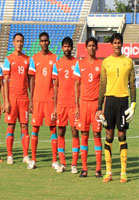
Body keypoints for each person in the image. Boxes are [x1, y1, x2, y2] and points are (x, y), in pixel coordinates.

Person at [97, 33, 136, 183]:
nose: (117, 45)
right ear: (111, 44)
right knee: (108, 135)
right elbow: (102, 85)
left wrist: (133, 104)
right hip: (110, 102)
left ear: (122, 44)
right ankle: (108, 172)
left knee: (122, 135)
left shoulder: (128, 62)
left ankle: (123, 172)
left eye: (119, 42)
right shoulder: (106, 62)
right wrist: (99, 107)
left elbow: (132, 85)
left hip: (123, 102)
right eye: (115, 43)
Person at [27, 32, 59, 170]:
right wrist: (31, 98)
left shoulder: (55, 58)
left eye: (46, 41)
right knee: (35, 129)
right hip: (38, 99)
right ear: (39, 42)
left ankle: (54, 161)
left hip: (50, 99)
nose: (44, 43)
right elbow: (31, 79)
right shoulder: (34, 59)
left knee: (53, 129)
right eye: (42, 41)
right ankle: (33, 159)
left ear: (49, 42)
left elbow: (56, 81)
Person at [73, 37, 103, 177]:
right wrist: (77, 106)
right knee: (83, 134)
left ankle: (98, 169)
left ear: (97, 48)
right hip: (83, 104)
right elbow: (77, 86)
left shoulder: (101, 64)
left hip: (96, 105)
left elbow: (104, 86)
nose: (91, 48)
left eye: (93, 46)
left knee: (97, 134)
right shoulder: (80, 64)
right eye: (89, 45)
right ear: (86, 48)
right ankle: (84, 169)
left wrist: (101, 107)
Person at [52, 37, 80, 174]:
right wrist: (55, 107)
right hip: (61, 104)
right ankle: (63, 163)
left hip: (73, 104)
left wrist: (78, 106)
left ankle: (74, 164)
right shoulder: (57, 64)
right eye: (64, 46)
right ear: (62, 48)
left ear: (72, 47)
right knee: (61, 132)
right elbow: (55, 86)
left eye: (69, 46)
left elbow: (79, 85)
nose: (67, 49)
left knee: (75, 132)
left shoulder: (77, 63)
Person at [3, 33, 31, 165]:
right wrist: (6, 101)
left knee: (25, 126)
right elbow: (5, 82)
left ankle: (25, 155)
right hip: (12, 98)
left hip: (24, 98)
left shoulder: (27, 59)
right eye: (17, 41)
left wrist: (31, 99)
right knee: (11, 126)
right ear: (13, 43)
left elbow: (30, 80)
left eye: (21, 41)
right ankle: (10, 155)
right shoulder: (8, 59)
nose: (19, 43)